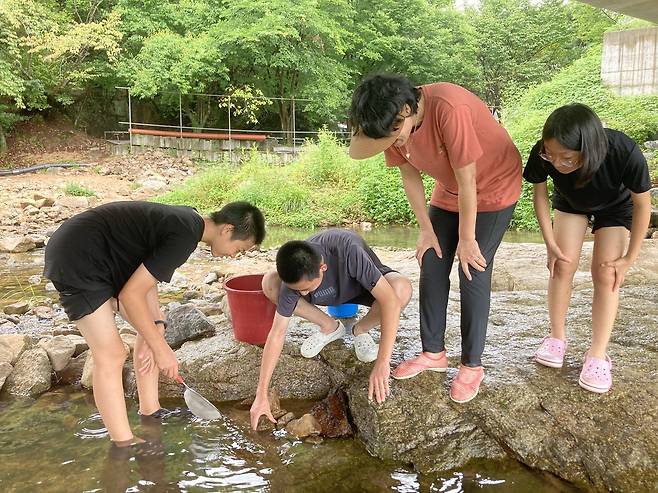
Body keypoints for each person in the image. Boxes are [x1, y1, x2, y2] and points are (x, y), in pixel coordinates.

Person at [349, 73, 522, 403]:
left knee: (473, 268)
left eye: (394, 135)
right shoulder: (394, 125)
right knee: (432, 257)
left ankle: (472, 365)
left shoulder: (448, 109)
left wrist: (467, 239)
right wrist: (426, 230)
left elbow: (469, 179)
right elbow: (410, 177)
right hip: (451, 187)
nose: (394, 143)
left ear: (407, 109)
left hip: (493, 185)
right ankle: (433, 354)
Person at [44, 200, 265, 446]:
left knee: (151, 330)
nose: (234, 255)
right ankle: (123, 442)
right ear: (227, 230)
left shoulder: (187, 222)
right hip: (79, 259)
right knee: (112, 354)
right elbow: (131, 295)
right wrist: (162, 350)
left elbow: (145, 279)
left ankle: (150, 412)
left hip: (101, 258)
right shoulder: (184, 235)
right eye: (240, 248)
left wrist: (157, 325)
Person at [523, 103, 651, 393]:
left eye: (566, 158)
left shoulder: (623, 151)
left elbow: (642, 204)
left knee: (607, 274)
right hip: (570, 203)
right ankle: (556, 337)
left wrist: (630, 257)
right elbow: (540, 195)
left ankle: (597, 354)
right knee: (562, 264)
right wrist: (550, 243)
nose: (556, 163)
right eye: (550, 154)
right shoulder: (545, 152)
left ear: (589, 148)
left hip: (616, 209)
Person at [249, 229, 412, 429]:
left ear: (323, 267)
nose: (301, 293)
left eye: (306, 288)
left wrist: (382, 364)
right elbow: (277, 334)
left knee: (402, 288)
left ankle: (359, 330)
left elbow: (390, 302)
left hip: (363, 288)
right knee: (269, 282)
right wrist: (261, 393)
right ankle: (329, 326)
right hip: (328, 297)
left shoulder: (349, 251)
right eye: (296, 290)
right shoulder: (295, 273)